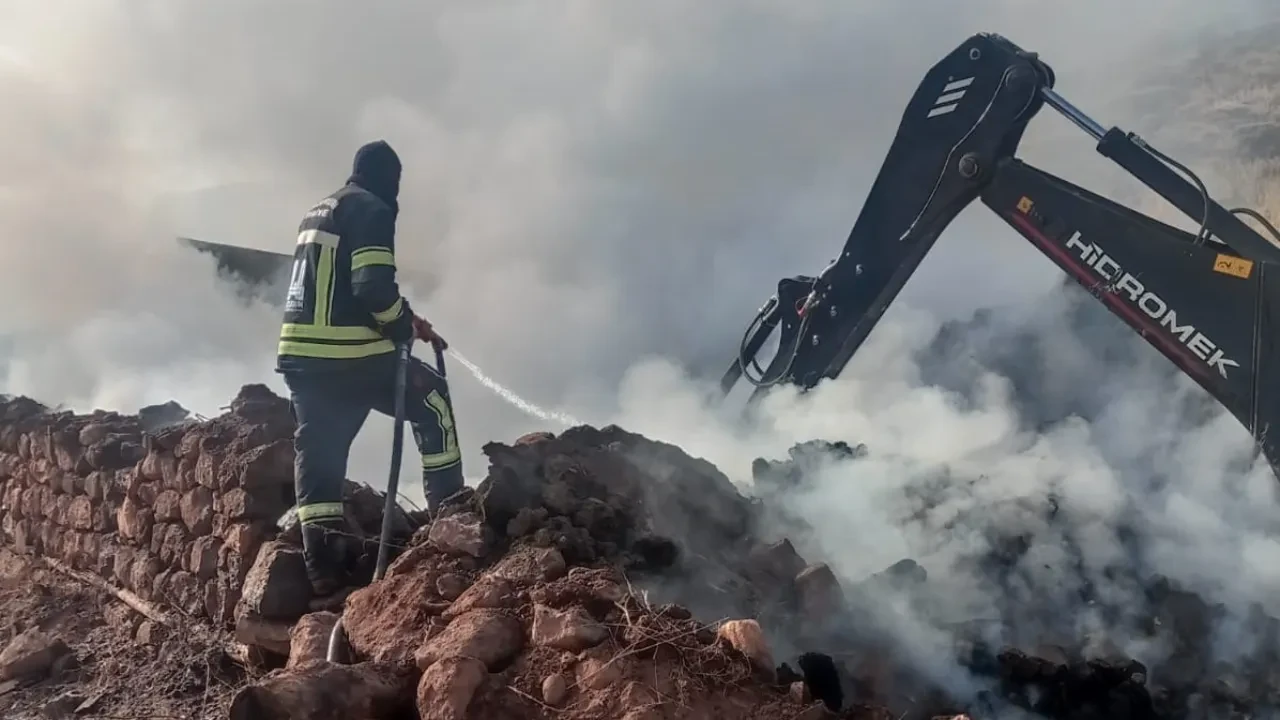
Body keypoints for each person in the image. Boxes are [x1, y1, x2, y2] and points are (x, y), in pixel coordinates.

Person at [275, 139, 465, 596]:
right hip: (350, 358)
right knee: (433, 400)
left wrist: (410, 322)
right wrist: (400, 325)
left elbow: (344, 285)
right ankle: (452, 517)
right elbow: (372, 288)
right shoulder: (373, 211)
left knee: (320, 454)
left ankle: (322, 565)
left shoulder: (321, 209)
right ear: (389, 179)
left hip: (304, 357)